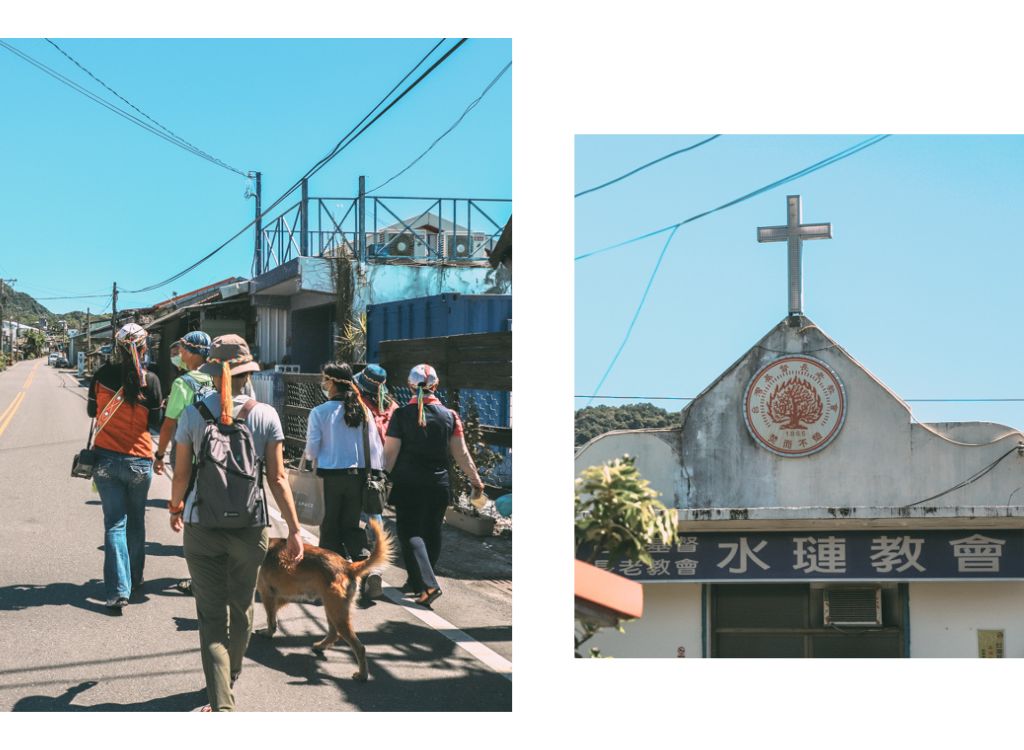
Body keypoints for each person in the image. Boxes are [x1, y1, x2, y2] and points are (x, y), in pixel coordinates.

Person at [168, 334, 303, 712]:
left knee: (211, 617)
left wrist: (176, 507)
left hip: (201, 526)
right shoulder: (266, 415)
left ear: (212, 372)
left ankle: (221, 703)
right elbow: (277, 478)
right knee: (242, 607)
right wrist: (293, 529)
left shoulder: (193, 414)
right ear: (247, 372)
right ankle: (232, 673)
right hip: (250, 526)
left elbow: (181, 475)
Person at [383, 364, 484, 607]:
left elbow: (390, 454)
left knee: (409, 533)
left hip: (407, 484)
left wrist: (381, 476)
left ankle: (426, 584)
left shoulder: (400, 416)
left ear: (409, 386)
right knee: (432, 531)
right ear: (436, 386)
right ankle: (417, 582)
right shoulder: (450, 416)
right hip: (438, 485)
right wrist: (475, 480)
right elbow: (461, 454)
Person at [87, 323, 163, 610]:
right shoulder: (151, 381)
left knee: (114, 524)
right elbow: (154, 423)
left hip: (105, 459)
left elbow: (92, 412)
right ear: (143, 348)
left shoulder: (101, 376)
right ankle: (135, 578)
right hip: (140, 461)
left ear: (116, 347)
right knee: (137, 523)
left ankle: (118, 590)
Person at [305, 362, 386, 566]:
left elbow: (311, 451)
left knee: (330, 525)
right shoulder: (363, 411)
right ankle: (364, 564)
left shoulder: (319, 412)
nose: (323, 383)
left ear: (332, 383)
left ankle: (331, 572)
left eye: (325, 379)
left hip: (329, 477)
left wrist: (309, 459)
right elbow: (376, 447)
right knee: (351, 525)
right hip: (358, 477)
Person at [153, 331, 214, 596]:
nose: (179, 354)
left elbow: (169, 423)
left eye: (182, 350)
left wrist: (159, 454)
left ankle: (200, 579)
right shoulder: (221, 379)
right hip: (222, 459)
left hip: (191, 459)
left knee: (193, 521)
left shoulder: (182, 384)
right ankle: (219, 574)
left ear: (190, 352)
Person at [353, 363, 396, 601]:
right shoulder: (392, 408)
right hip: (383, 471)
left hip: (358, 466)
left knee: (351, 518)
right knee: (375, 517)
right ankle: (376, 570)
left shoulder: (359, 407)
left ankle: (360, 565)